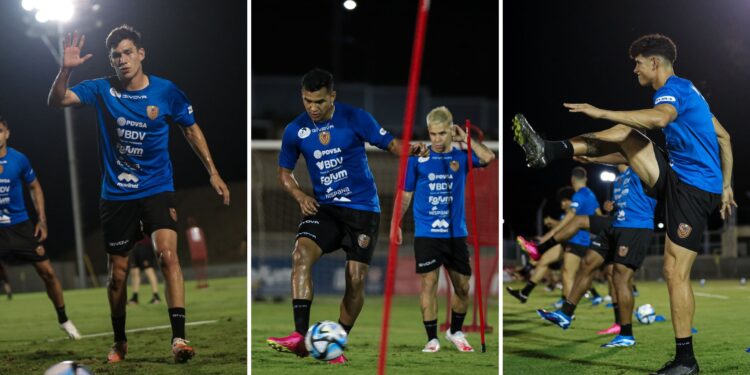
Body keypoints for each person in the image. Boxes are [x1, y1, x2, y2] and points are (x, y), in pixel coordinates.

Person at [512, 34, 734, 375]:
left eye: (638, 63)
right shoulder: (692, 92)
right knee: (626, 138)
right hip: (678, 177)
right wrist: (728, 185)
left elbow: (660, 118)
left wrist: (599, 111)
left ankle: (686, 362)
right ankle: (550, 150)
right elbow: (724, 137)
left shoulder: (672, 90)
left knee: (675, 272)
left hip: (691, 189)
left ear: (654, 63)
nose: (635, 70)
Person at [47, 26, 231, 363]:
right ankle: (119, 341)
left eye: (128, 52)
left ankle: (179, 338)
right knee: (118, 273)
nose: (123, 59)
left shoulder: (166, 92)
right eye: (117, 55)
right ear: (112, 61)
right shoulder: (102, 89)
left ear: (141, 54)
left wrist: (213, 171)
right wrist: (66, 70)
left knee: (168, 256)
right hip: (116, 196)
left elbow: (190, 128)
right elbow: (58, 99)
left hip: (157, 188)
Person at [267, 68, 427, 364]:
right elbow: (284, 173)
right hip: (325, 209)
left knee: (355, 280)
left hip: (363, 210)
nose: (313, 108)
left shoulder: (356, 118)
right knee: (300, 254)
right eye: (307, 101)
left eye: (319, 102)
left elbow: (392, 144)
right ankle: (299, 337)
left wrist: (412, 150)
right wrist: (301, 196)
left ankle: (335, 342)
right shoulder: (295, 130)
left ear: (333, 97)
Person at [390, 106, 494, 353]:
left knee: (462, 287)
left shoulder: (461, 157)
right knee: (429, 284)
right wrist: (395, 223)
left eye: (442, 134)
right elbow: (405, 194)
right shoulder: (418, 158)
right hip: (426, 233)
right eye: (433, 134)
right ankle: (431, 338)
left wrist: (466, 139)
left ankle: (455, 331)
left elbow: (489, 158)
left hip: (456, 234)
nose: (436, 139)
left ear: (451, 130)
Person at [535, 164, 657, 349]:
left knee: (619, 277)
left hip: (634, 227)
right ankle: (565, 313)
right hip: (615, 225)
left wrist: (582, 150)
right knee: (588, 263)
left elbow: (647, 199)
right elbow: (626, 203)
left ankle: (626, 334)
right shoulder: (618, 180)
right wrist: (612, 206)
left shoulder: (641, 168)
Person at [0, 115, 80, 339]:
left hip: (21, 227)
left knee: (48, 273)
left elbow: (35, 187)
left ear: (7, 133)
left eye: (0, 130)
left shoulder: (19, 160)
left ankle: (63, 319)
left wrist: (41, 219)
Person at [516, 167, 602, 308]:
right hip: (575, 240)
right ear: (585, 179)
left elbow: (569, 218)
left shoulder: (579, 195)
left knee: (569, 274)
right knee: (552, 265)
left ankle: (567, 312)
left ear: (572, 180)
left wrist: (547, 235)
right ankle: (525, 292)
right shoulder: (591, 195)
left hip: (577, 240)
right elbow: (598, 215)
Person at [128, 236, 161, 305]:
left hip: (145, 245)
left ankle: (156, 296)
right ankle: (135, 297)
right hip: (133, 246)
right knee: (134, 272)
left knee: (149, 270)